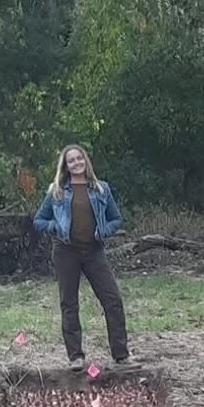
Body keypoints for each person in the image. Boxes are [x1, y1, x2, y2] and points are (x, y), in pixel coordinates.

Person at [33, 145, 134, 371]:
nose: (76, 163)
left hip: (94, 251)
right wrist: (55, 227)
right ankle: (75, 357)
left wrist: (105, 230)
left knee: (113, 299)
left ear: (85, 161)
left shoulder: (101, 189)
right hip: (65, 251)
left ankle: (121, 355)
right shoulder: (57, 191)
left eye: (79, 158)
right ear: (66, 166)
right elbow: (38, 221)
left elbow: (116, 219)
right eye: (71, 160)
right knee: (69, 303)